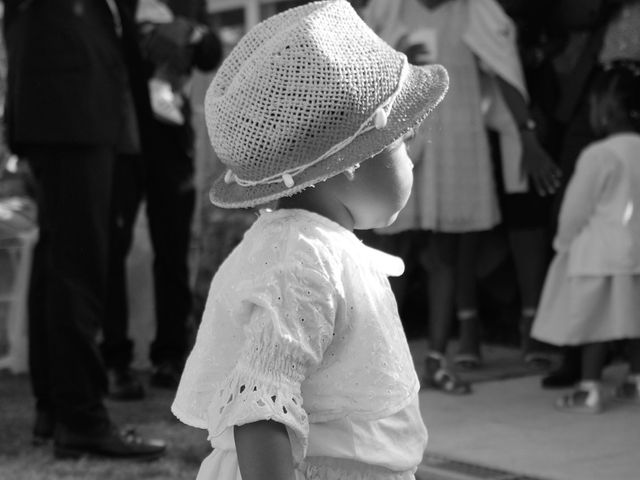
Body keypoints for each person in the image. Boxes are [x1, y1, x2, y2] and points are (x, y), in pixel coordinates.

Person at [171, 1, 449, 478]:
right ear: (354, 157)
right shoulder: (303, 259)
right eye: (402, 141)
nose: (411, 157)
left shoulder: (307, 245)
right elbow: (257, 407)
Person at [362, 0, 560, 394]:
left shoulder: (475, 9)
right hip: (402, 140)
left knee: (444, 254)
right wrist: (395, 62)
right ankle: (378, 365)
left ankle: (436, 361)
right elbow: (364, 60)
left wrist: (526, 130)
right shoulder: (390, 8)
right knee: (389, 248)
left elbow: (503, 67)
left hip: (456, 143)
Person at [2, 0, 165, 459]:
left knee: (58, 264)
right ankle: (81, 418)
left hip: (63, 103)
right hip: (69, 104)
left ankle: (56, 409)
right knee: (77, 265)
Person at [101, 0, 222, 399]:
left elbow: (210, 54)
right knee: (111, 248)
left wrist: (191, 32)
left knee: (172, 250)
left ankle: (169, 357)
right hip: (117, 138)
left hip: (169, 141)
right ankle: (115, 359)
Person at [531, 61, 640, 413]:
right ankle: (637, 380)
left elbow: (576, 208)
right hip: (635, 253)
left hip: (597, 256)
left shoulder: (598, 154)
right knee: (634, 318)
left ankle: (589, 387)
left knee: (594, 324)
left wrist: (563, 243)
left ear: (606, 108)